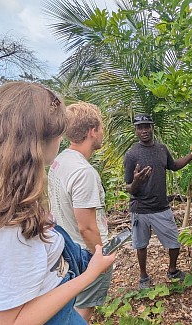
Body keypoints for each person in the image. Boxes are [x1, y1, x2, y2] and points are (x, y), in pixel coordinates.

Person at [0, 81, 115, 325]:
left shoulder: (6, 196)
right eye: (57, 132)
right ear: (37, 142)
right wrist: (90, 274)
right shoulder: (4, 227)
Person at [124, 113, 192, 289]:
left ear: (152, 127)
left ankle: (172, 270)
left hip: (161, 207)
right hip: (140, 208)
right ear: (136, 130)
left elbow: (174, 166)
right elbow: (128, 187)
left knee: (174, 242)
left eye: (147, 126)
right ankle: (143, 276)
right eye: (140, 127)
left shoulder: (161, 149)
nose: (144, 130)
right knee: (141, 245)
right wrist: (137, 182)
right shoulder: (131, 155)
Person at [48, 102, 111, 323]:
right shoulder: (84, 172)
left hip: (64, 248)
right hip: (83, 253)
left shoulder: (59, 160)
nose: (103, 133)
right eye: (101, 128)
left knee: (71, 304)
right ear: (92, 131)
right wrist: (99, 258)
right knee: (84, 308)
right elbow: (86, 227)